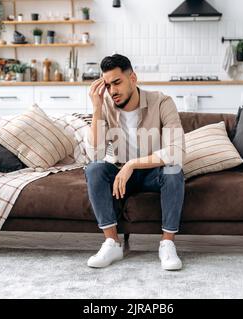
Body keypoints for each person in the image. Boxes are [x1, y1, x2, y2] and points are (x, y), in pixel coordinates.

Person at [84, 54, 186, 271]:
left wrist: (132, 165)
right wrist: (96, 108)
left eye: (117, 82)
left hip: (152, 173)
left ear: (133, 78)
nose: (112, 91)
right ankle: (112, 243)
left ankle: (167, 244)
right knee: (94, 169)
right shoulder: (106, 107)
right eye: (108, 85)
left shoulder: (162, 102)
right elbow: (96, 153)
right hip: (121, 173)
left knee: (173, 170)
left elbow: (175, 152)